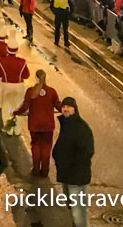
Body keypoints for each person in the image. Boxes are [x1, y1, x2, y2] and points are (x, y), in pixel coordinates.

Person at [52, 97, 94, 227]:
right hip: (66, 175)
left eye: (69, 107)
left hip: (76, 176)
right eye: (64, 107)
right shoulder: (67, 124)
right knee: (71, 205)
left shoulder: (81, 127)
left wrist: (73, 167)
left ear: (75, 109)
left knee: (78, 210)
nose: (65, 109)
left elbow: (87, 151)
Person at [12, 69, 61, 177]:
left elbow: (25, 106)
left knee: (36, 146)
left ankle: (35, 169)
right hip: (48, 125)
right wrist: (68, 109)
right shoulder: (52, 91)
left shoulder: (31, 91)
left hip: (34, 124)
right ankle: (45, 170)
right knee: (47, 147)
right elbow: (58, 105)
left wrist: (15, 112)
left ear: (36, 78)